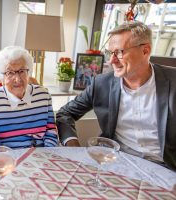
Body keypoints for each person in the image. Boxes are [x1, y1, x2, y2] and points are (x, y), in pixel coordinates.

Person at [56, 21, 176, 172]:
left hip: (165, 168)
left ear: (145, 51)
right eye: (110, 53)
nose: (112, 60)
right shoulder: (101, 84)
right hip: (116, 163)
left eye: (119, 52)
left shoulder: (173, 81)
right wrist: (74, 147)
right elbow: (65, 114)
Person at [0, 46, 59, 149]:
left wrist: (48, 151)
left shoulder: (43, 95)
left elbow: (51, 128)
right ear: (2, 78)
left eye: (22, 71)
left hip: (39, 157)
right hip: (8, 159)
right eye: (10, 73)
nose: (17, 79)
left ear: (29, 72)